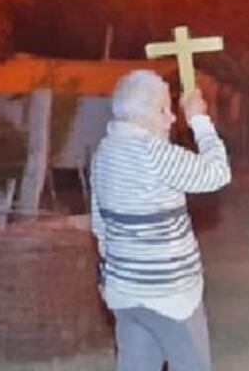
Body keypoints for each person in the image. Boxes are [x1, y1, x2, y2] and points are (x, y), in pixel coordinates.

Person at [90, 69, 231, 371]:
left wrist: (110, 275)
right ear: (142, 113)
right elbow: (218, 172)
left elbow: (100, 223)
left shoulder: (105, 151)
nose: (171, 118)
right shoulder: (156, 153)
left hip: (125, 294)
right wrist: (198, 120)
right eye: (164, 109)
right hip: (171, 297)